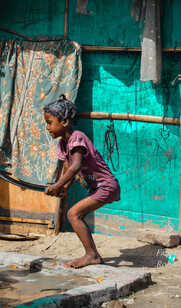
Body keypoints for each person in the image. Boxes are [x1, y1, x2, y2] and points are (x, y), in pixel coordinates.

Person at [43, 94, 120, 269]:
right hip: (96, 188)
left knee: (73, 214)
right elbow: (67, 168)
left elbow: (75, 167)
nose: (47, 127)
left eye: (49, 122)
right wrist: (65, 188)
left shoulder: (77, 137)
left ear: (64, 122)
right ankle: (92, 254)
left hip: (106, 185)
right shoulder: (63, 144)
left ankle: (92, 255)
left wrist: (57, 185)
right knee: (77, 216)